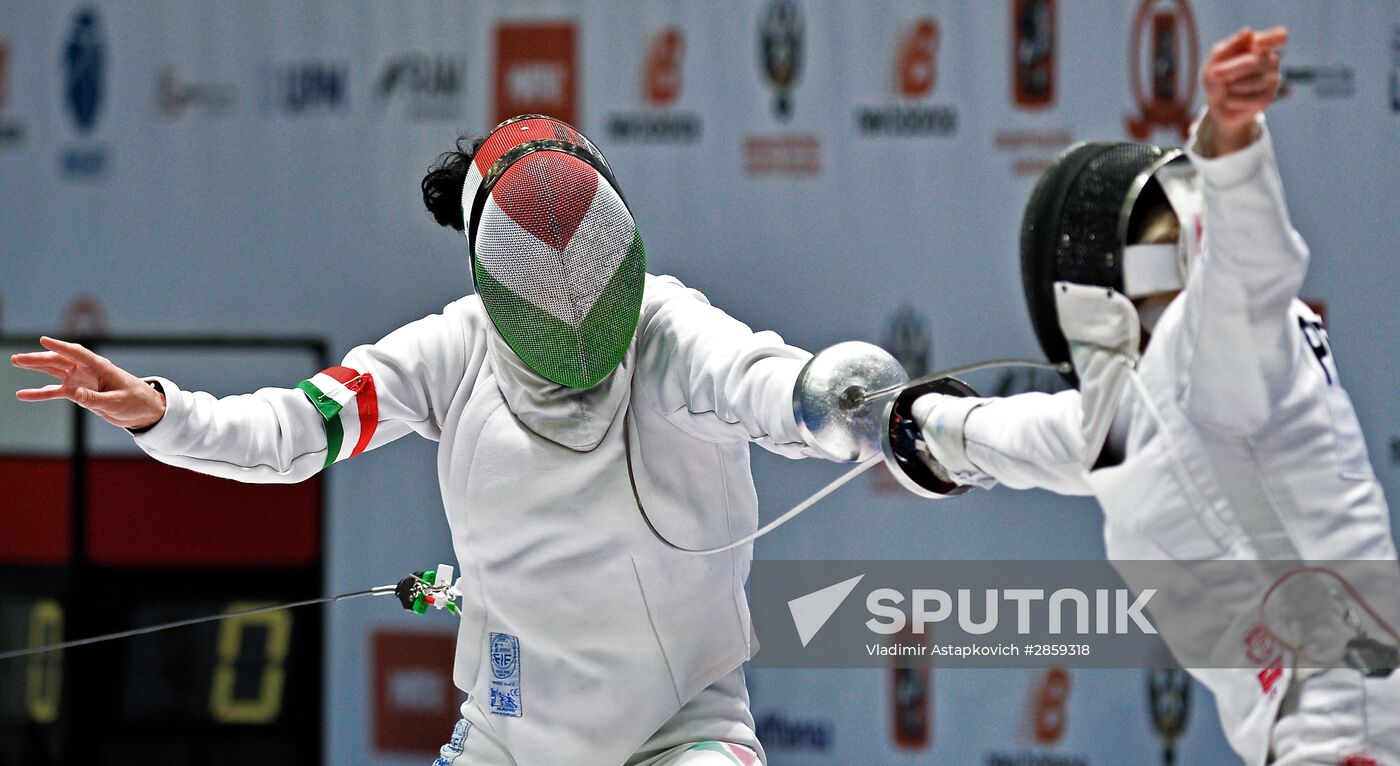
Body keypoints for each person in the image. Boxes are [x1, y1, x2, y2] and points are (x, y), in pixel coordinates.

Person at [11, 115, 844, 766]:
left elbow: (782, 390)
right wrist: (163, 410)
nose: (568, 284)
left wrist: (892, 416)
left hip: (683, 736)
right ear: (490, 270)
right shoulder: (448, 353)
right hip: (509, 741)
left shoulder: (673, 332)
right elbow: (289, 431)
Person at [911, 27, 1400, 765]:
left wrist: (1230, 147)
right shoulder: (1137, 410)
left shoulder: (1224, 352)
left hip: (1347, 725)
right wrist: (912, 421)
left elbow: (1252, 270)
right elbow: (1021, 436)